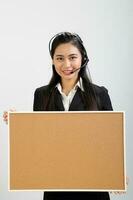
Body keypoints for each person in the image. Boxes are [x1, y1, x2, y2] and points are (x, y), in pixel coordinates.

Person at [33, 32, 113, 200]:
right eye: (60, 58)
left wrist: (116, 174)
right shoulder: (42, 95)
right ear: (53, 60)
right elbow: (39, 141)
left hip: (93, 185)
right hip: (56, 186)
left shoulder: (99, 94)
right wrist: (17, 123)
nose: (66, 64)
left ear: (83, 58)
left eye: (72, 57)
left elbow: (111, 142)